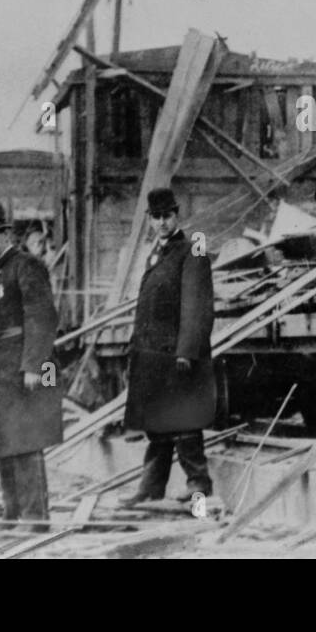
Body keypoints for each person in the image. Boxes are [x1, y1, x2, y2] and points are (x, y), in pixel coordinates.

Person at [0, 201, 63, 529]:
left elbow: (42, 316)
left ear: (6, 232)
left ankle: (35, 518)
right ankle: (11, 514)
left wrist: (33, 366)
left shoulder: (26, 266)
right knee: (3, 443)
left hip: (20, 366)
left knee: (25, 443)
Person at [124, 187, 216, 503]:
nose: (162, 223)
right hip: (152, 355)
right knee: (157, 425)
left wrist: (187, 352)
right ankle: (150, 489)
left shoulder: (193, 251)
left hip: (176, 354)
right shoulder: (155, 254)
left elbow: (197, 305)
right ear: (150, 220)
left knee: (185, 422)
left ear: (177, 215)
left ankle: (199, 484)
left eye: (168, 216)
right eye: (157, 217)